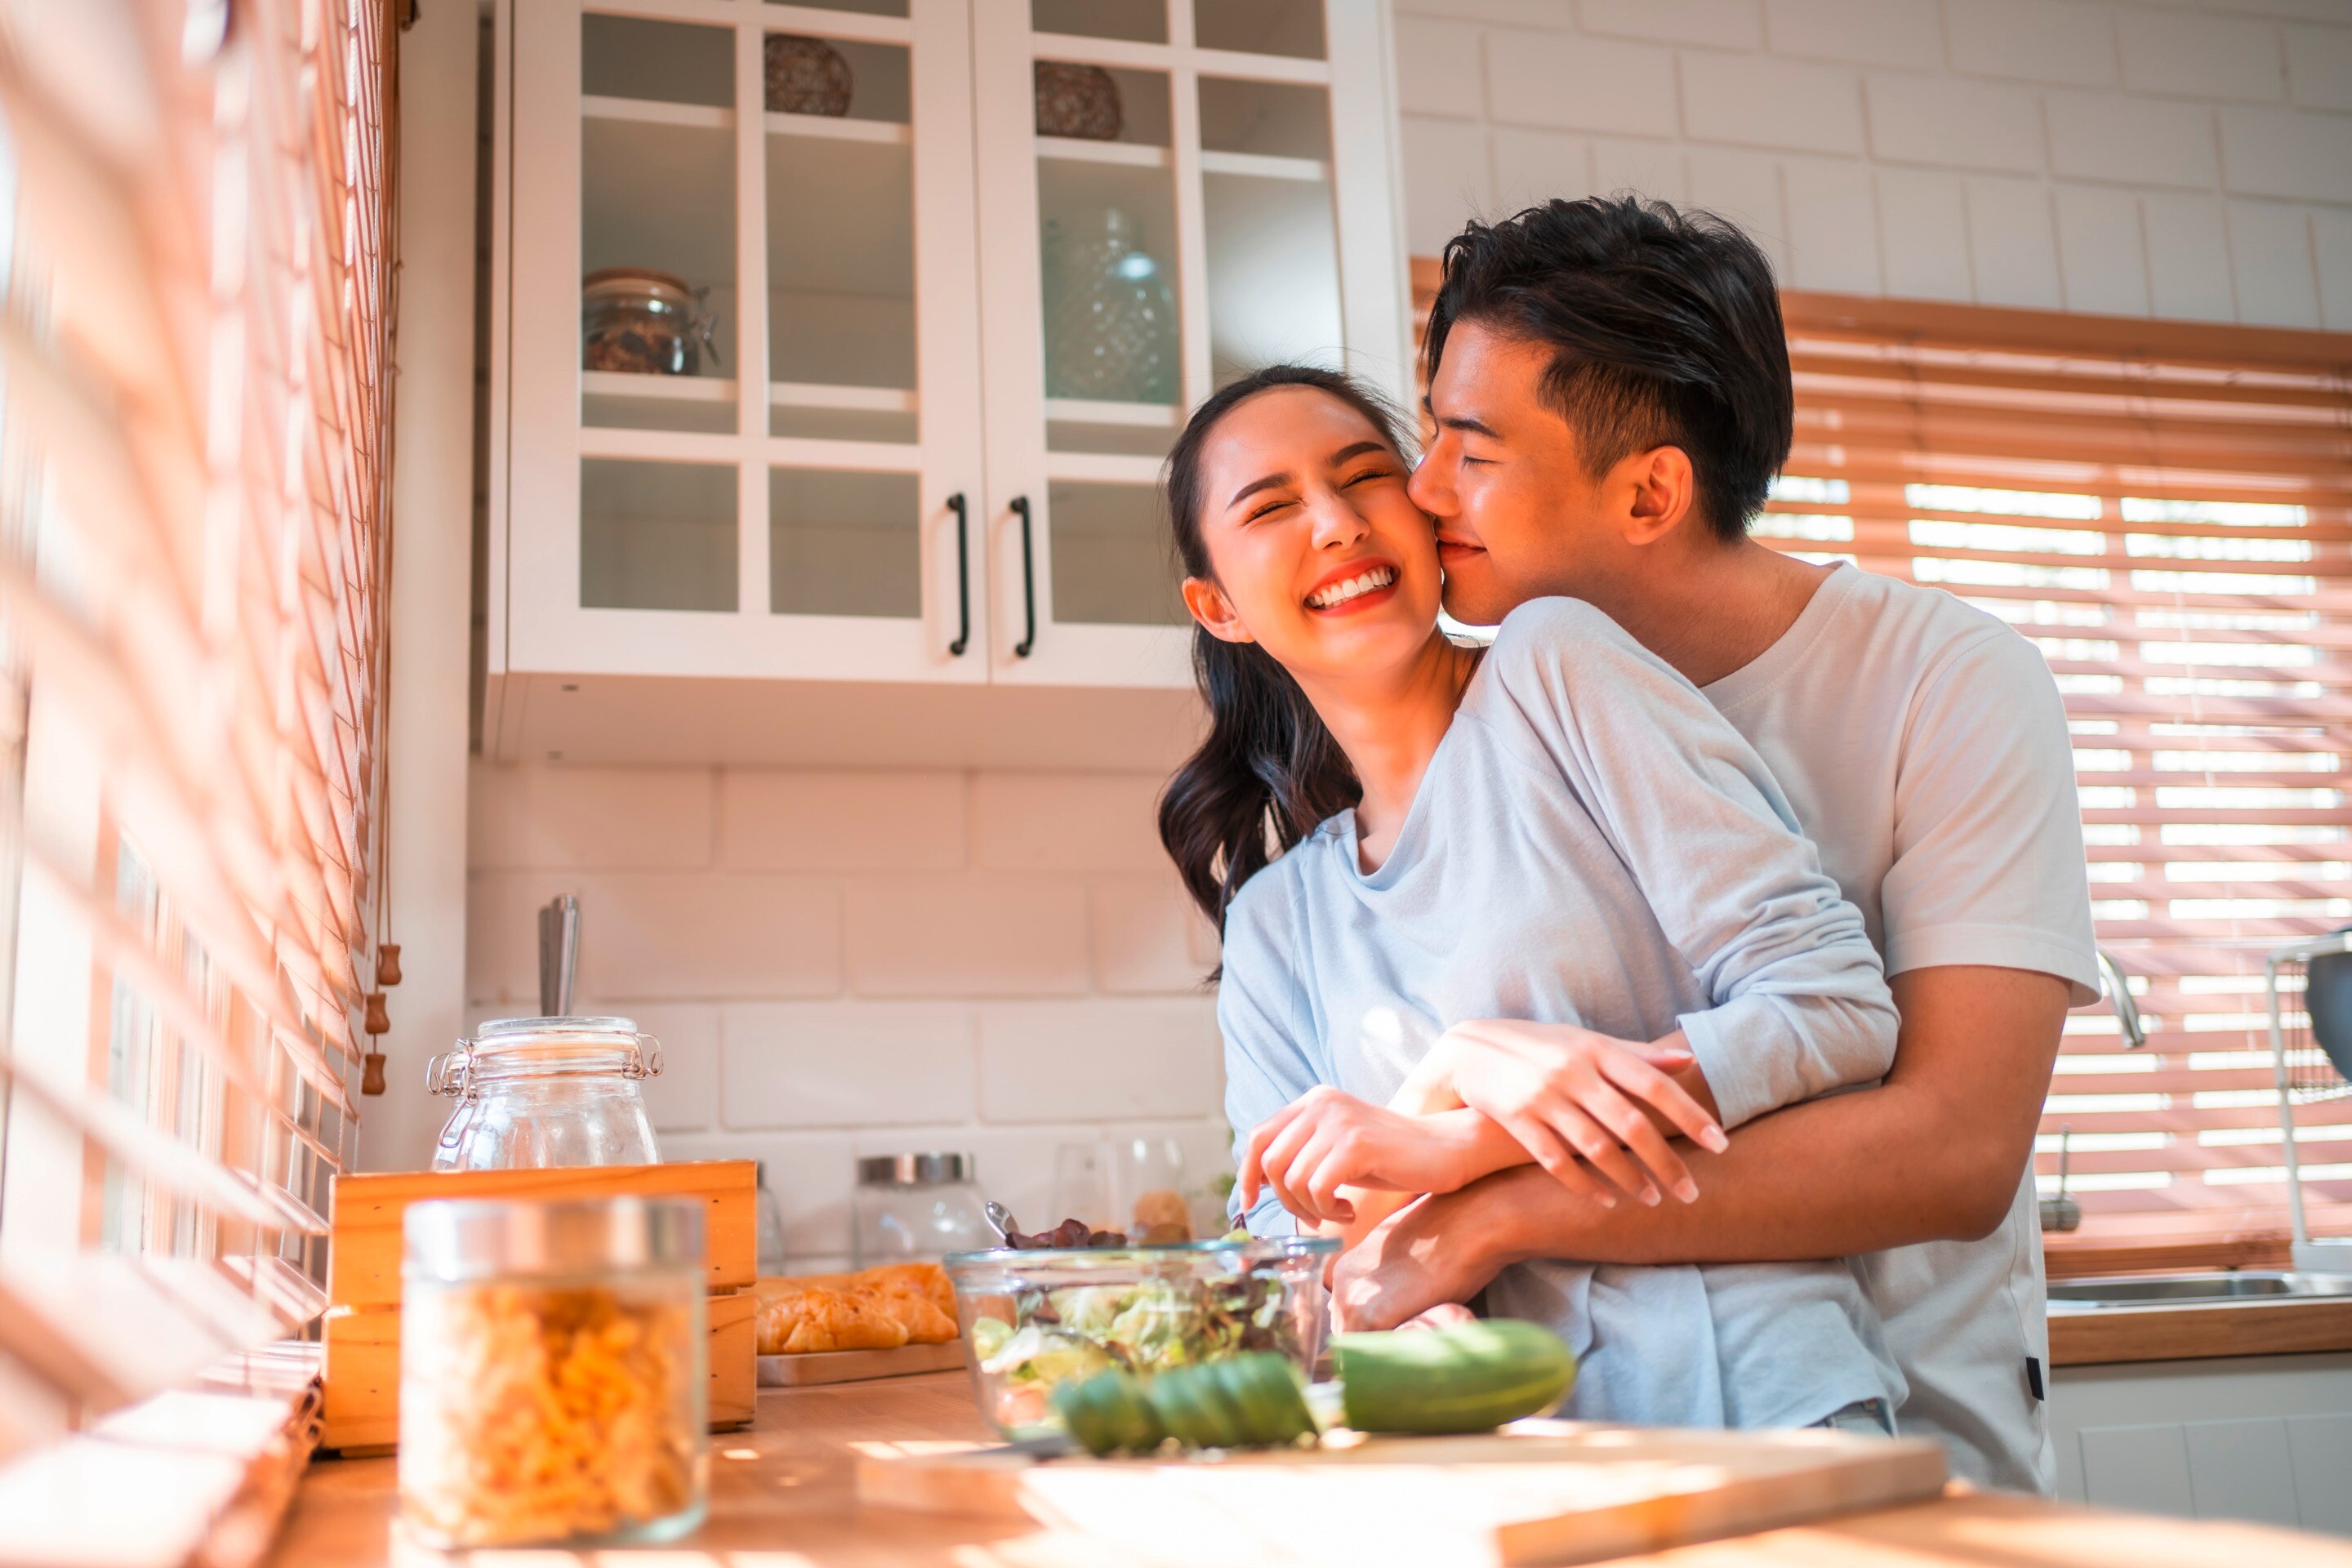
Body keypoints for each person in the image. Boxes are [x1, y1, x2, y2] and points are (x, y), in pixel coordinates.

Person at [1330, 196, 2096, 1494]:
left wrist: (1499, 1207)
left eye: (1473, 451)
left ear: (1649, 493)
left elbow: (1959, 1151)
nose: (1420, 490)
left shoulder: (1949, 683)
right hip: (1601, 1460)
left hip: (1905, 1451)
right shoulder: (1482, 714)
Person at [1159, 361, 1904, 1433]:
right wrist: (1448, 1084)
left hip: (1757, 1406)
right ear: (1218, 606)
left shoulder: (1556, 670)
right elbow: (1296, 1284)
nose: (1335, 524)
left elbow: (1835, 1008)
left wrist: (1467, 1144)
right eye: (1272, 507)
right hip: (1493, 1460)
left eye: (1365, 476)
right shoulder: (1277, 925)